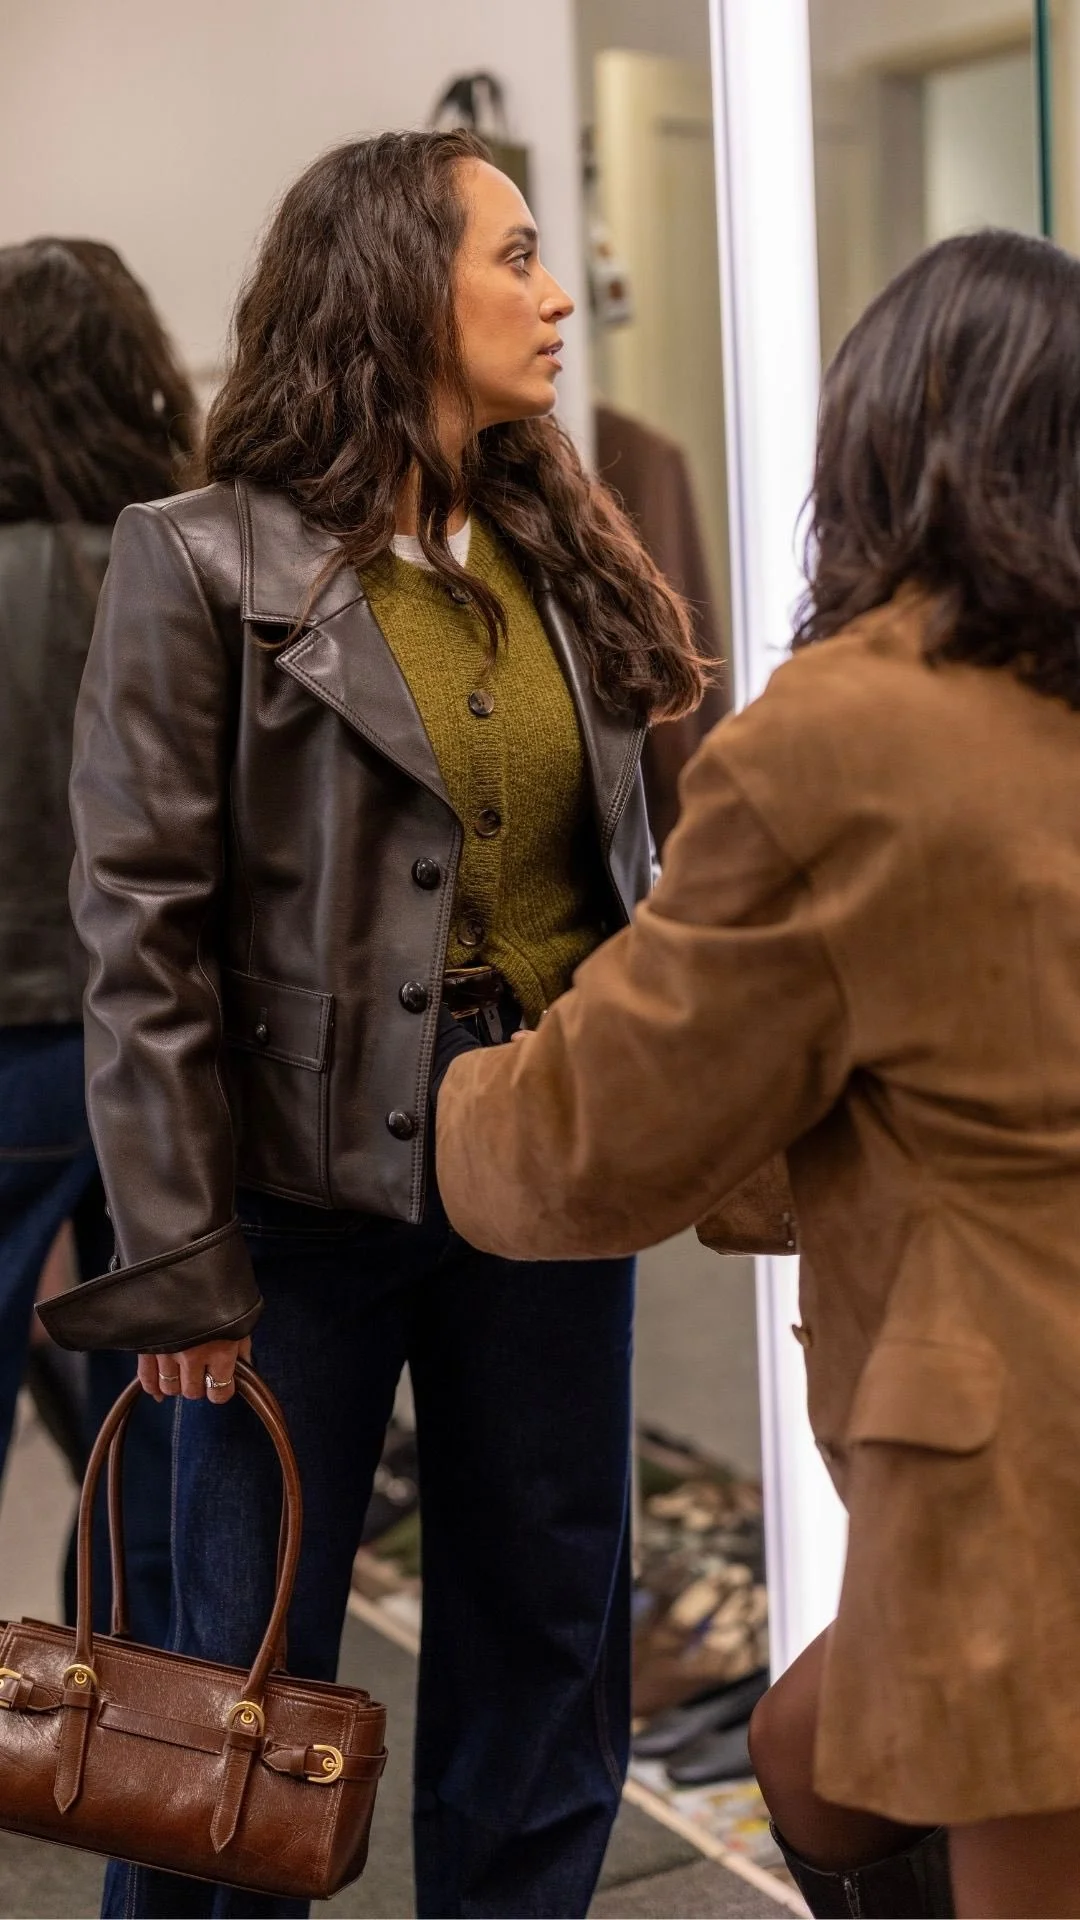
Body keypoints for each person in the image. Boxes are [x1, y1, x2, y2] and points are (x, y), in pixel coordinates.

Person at [43, 131, 708, 1918]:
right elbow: (141, 931)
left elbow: (629, 864)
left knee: (549, 1629)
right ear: (400, 290)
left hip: (546, 1169)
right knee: (235, 1681)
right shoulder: (197, 559)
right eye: (514, 256)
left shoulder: (564, 550)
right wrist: (175, 1254)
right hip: (292, 1208)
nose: (555, 297)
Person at [433, 228, 1080, 1920]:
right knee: (808, 1748)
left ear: (882, 443)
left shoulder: (847, 737)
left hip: (1029, 1451)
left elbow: (601, 1130)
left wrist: (426, 1104)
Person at [0, 237, 194, 1640]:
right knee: (161, 1425)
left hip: (6, 1050)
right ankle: (121, 1718)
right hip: (163, 1048)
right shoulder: (184, 573)